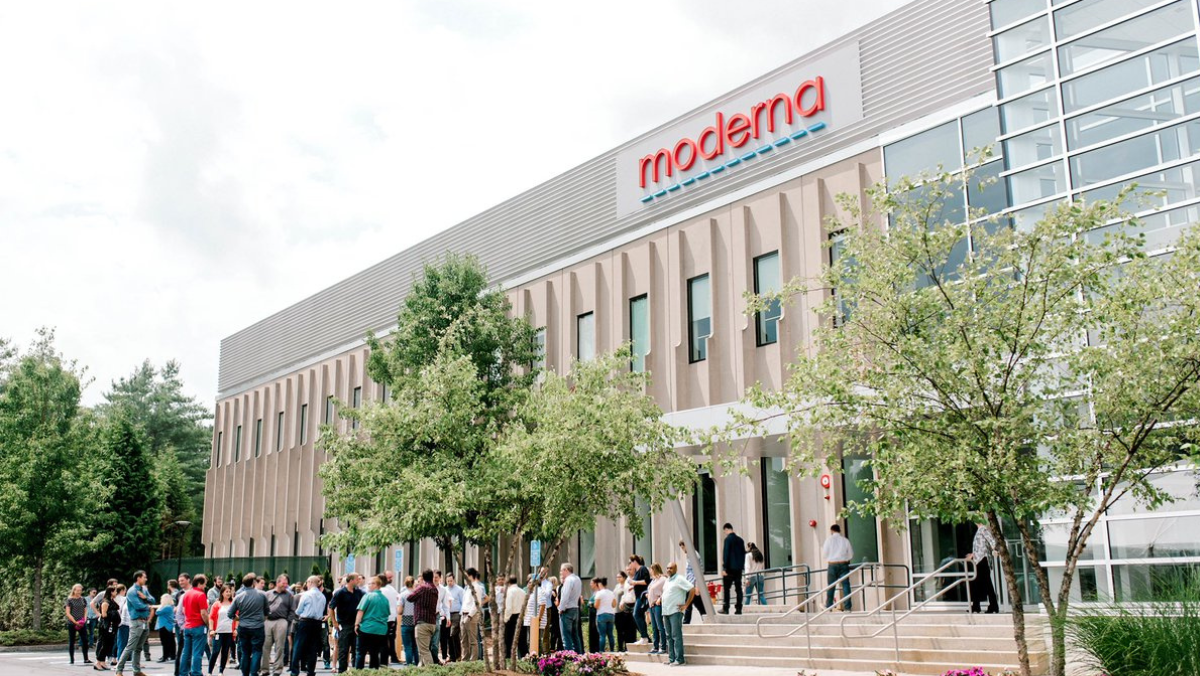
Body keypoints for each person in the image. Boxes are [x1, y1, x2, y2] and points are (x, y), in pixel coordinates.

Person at [226, 573, 269, 676]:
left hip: (243, 627)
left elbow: (230, 614)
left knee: (245, 652)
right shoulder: (262, 595)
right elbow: (267, 612)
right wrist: (261, 619)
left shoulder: (239, 597)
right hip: (258, 627)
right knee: (257, 651)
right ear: (254, 583)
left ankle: (245, 673)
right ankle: (253, 673)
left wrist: (239, 618)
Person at [116, 570, 154, 676]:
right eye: (144, 577)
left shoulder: (144, 590)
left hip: (145, 622)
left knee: (138, 648)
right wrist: (148, 606)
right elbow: (138, 606)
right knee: (130, 647)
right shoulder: (132, 591)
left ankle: (136, 670)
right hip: (136, 622)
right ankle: (119, 670)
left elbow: (153, 600)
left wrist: (146, 598)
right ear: (138, 578)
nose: (146, 579)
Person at [661, 562, 696, 667]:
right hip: (666, 611)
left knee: (676, 636)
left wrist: (686, 605)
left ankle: (680, 660)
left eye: (671, 568)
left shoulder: (679, 579)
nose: (668, 569)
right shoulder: (667, 580)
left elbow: (692, 589)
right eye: (667, 568)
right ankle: (672, 659)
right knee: (668, 636)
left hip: (675, 612)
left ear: (675, 568)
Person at [290, 576, 327, 676]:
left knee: (298, 646)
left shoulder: (306, 595)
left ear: (310, 582)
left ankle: (294, 671)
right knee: (313, 648)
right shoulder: (322, 596)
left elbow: (299, 610)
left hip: (305, 622)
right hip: (317, 623)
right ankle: (311, 671)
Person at [352, 575, 389, 669]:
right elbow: (387, 613)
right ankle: (373, 672)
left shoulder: (368, 596)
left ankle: (359, 673)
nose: (368, 585)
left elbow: (361, 611)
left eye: (370, 583)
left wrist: (356, 624)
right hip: (381, 629)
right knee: (375, 653)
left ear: (375, 584)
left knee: (361, 652)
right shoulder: (385, 599)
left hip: (366, 628)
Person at [328, 572, 363, 672]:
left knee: (357, 649)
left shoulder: (358, 592)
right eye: (357, 579)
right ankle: (342, 671)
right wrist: (334, 622)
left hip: (357, 624)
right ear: (351, 580)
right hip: (344, 624)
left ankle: (357, 671)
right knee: (343, 649)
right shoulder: (340, 593)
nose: (359, 581)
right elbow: (331, 607)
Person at [262, 575, 294, 676]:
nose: (286, 585)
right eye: (283, 583)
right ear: (277, 582)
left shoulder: (289, 595)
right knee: (265, 646)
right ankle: (264, 669)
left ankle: (277, 670)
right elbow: (262, 608)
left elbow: (292, 611)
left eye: (286, 583)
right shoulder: (267, 594)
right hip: (268, 621)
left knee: (280, 647)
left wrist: (287, 622)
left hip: (281, 621)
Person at [967, 521, 1000, 614]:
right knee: (978, 583)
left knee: (985, 584)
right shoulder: (979, 530)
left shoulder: (983, 529)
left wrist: (995, 550)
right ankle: (977, 606)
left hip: (982, 560)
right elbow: (980, 547)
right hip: (978, 560)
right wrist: (973, 555)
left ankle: (991, 606)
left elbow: (991, 540)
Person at [181, 575, 210, 676]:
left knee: (186, 653)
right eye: (204, 584)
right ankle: (196, 673)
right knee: (197, 653)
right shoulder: (201, 595)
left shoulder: (186, 594)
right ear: (200, 583)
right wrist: (209, 624)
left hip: (187, 626)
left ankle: (183, 673)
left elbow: (184, 610)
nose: (205, 586)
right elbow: (204, 613)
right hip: (198, 626)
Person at [410, 570, 440, 667]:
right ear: (432, 577)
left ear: (423, 577)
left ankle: (431, 671)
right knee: (422, 651)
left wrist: (416, 587)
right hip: (432, 623)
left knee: (424, 651)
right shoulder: (435, 589)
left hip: (422, 623)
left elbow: (409, 598)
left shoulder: (422, 588)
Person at [823, 524, 854, 611]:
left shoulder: (828, 540)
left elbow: (824, 554)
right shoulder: (845, 540)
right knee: (846, 585)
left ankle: (829, 605)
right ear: (839, 530)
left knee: (831, 586)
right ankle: (847, 607)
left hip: (832, 564)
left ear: (831, 531)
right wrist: (846, 559)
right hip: (843, 564)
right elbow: (851, 554)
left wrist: (830, 558)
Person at [208, 585, 237, 675]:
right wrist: (211, 629)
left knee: (225, 652)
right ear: (222, 593)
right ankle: (209, 672)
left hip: (229, 632)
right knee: (215, 651)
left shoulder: (233, 604)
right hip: (218, 632)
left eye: (229, 591)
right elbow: (211, 618)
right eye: (226, 591)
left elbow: (236, 618)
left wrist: (235, 629)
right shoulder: (216, 604)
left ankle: (221, 671)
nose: (228, 593)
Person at [458, 569, 485, 662]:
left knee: (473, 641)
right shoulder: (467, 588)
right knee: (463, 640)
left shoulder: (476, 587)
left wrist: (469, 616)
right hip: (463, 615)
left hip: (471, 616)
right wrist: (462, 615)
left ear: (470, 576)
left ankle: (473, 662)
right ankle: (464, 660)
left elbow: (476, 603)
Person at [677, 541, 707, 625]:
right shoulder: (690, 555)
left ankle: (686, 622)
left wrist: (697, 585)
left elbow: (698, 571)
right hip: (690, 584)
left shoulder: (693, 555)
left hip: (692, 585)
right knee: (698, 604)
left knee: (688, 604)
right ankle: (706, 618)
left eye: (683, 547)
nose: (683, 550)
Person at [557, 563, 582, 653]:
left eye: (561, 570)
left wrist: (561, 608)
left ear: (566, 570)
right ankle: (579, 657)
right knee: (575, 636)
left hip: (567, 610)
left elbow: (565, 596)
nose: (560, 572)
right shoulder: (577, 579)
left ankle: (569, 658)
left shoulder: (568, 580)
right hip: (575, 608)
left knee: (566, 637)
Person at [721, 523, 745, 614]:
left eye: (725, 531)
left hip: (729, 568)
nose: (725, 533)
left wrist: (724, 568)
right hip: (738, 569)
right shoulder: (741, 540)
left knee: (727, 589)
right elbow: (743, 554)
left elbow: (726, 554)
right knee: (738, 588)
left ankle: (726, 608)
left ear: (727, 529)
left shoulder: (728, 540)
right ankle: (739, 608)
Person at [95, 586, 121, 672]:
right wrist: (113, 614)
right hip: (106, 626)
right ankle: (98, 662)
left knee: (109, 644)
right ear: (111, 592)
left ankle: (102, 662)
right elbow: (104, 615)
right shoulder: (105, 602)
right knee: (105, 644)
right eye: (115, 591)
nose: (116, 593)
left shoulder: (112, 601)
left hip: (113, 625)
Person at [66, 584, 91, 666]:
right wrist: (74, 621)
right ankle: (71, 659)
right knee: (72, 641)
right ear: (74, 590)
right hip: (72, 623)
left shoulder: (83, 599)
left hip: (82, 622)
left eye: (80, 590)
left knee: (85, 640)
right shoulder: (70, 600)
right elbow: (68, 613)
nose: (79, 592)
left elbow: (85, 610)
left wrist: (84, 619)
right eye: (77, 590)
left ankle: (86, 658)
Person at [628, 556, 651, 644]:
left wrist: (635, 582)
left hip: (642, 597)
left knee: (636, 615)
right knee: (639, 616)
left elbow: (646, 581)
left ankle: (644, 636)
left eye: (630, 562)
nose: (630, 565)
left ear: (634, 562)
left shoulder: (643, 569)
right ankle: (645, 637)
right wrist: (632, 586)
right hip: (638, 597)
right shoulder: (637, 572)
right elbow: (639, 583)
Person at [646, 563, 667, 656]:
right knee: (654, 627)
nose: (650, 571)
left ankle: (663, 647)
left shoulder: (663, 579)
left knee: (660, 627)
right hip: (651, 605)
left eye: (651, 569)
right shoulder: (654, 580)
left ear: (654, 569)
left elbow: (666, 590)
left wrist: (660, 598)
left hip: (658, 605)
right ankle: (655, 647)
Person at [591, 577, 616, 653]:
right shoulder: (611, 592)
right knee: (610, 634)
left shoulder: (599, 593)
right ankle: (612, 650)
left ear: (600, 584)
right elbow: (614, 604)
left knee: (602, 635)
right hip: (611, 614)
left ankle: (601, 651)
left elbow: (596, 605)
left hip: (601, 614)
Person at [502, 575, 525, 659]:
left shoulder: (509, 592)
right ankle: (523, 659)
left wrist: (505, 619)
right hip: (520, 616)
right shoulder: (522, 591)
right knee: (522, 641)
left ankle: (508, 659)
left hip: (511, 617)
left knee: (508, 641)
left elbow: (509, 608)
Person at [442, 572, 463, 663]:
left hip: (456, 614)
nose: (449, 582)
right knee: (448, 636)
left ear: (454, 580)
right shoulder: (444, 589)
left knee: (453, 634)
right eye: (448, 581)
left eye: (451, 581)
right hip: (447, 615)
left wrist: (461, 615)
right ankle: (452, 656)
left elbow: (463, 602)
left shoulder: (459, 590)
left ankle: (458, 655)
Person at [397, 576, 418, 666]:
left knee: (407, 647)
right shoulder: (417, 594)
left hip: (405, 622)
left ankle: (409, 665)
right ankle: (417, 663)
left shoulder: (403, 595)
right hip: (416, 621)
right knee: (415, 646)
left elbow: (400, 611)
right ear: (413, 583)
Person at [380, 571, 399, 666]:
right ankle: (393, 657)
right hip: (392, 617)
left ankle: (384, 659)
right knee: (390, 638)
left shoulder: (382, 591)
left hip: (384, 617)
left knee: (383, 639)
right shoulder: (392, 589)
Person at [155, 582, 177, 662]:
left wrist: (160, 606)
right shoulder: (170, 607)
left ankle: (165, 656)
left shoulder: (166, 607)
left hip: (164, 626)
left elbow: (157, 612)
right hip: (168, 626)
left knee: (165, 642)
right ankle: (171, 655)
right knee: (170, 641)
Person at [614, 572, 634, 651]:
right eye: (617, 577)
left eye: (620, 577)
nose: (618, 578)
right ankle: (619, 648)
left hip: (624, 611)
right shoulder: (617, 586)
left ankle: (626, 647)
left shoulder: (625, 586)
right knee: (619, 631)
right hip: (616, 611)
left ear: (624, 577)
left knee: (626, 630)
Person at [113, 584, 129, 668]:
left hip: (117, 623)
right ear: (122, 590)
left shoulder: (113, 599)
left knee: (120, 643)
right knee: (123, 643)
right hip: (124, 623)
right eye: (125, 590)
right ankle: (120, 661)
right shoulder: (124, 599)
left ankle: (118, 659)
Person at [86, 588, 99, 657]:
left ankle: (91, 644)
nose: (94, 594)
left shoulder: (96, 600)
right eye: (93, 592)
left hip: (93, 617)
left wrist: (97, 614)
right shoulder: (85, 599)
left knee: (92, 632)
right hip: (87, 617)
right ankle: (81, 644)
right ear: (90, 592)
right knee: (85, 632)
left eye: (95, 593)